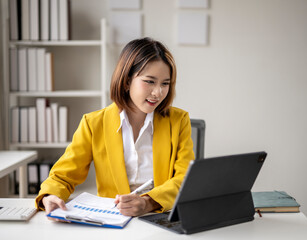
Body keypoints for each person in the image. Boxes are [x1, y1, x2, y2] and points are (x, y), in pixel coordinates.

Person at [35, 37, 195, 218]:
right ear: (127, 81)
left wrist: (148, 203)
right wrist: (50, 195)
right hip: (111, 220)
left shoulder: (179, 120)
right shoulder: (93, 123)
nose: (158, 92)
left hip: (161, 216)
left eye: (165, 83)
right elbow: (63, 175)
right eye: (150, 81)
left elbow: (186, 179)